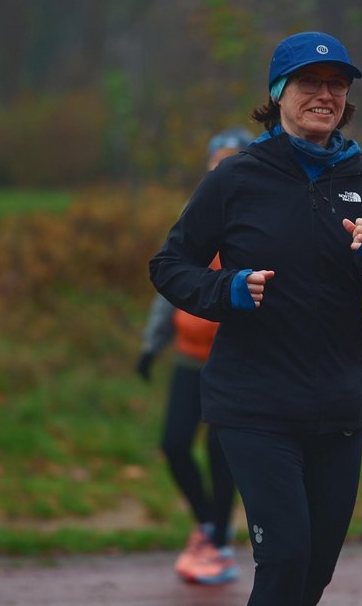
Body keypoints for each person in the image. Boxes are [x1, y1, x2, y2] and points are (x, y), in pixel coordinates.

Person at [150, 31, 362, 606]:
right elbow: (170, 264)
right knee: (285, 559)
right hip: (254, 404)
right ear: (278, 93)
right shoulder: (236, 178)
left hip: (337, 406)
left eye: (336, 85)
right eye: (309, 83)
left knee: (313, 574)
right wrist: (226, 289)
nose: (324, 95)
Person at [136, 127, 255, 585]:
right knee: (173, 443)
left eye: (231, 159)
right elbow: (170, 283)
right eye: (215, 160)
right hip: (188, 354)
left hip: (232, 356)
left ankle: (220, 543)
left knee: (220, 452)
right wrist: (152, 345)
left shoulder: (256, 217)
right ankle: (209, 524)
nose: (220, 168)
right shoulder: (198, 212)